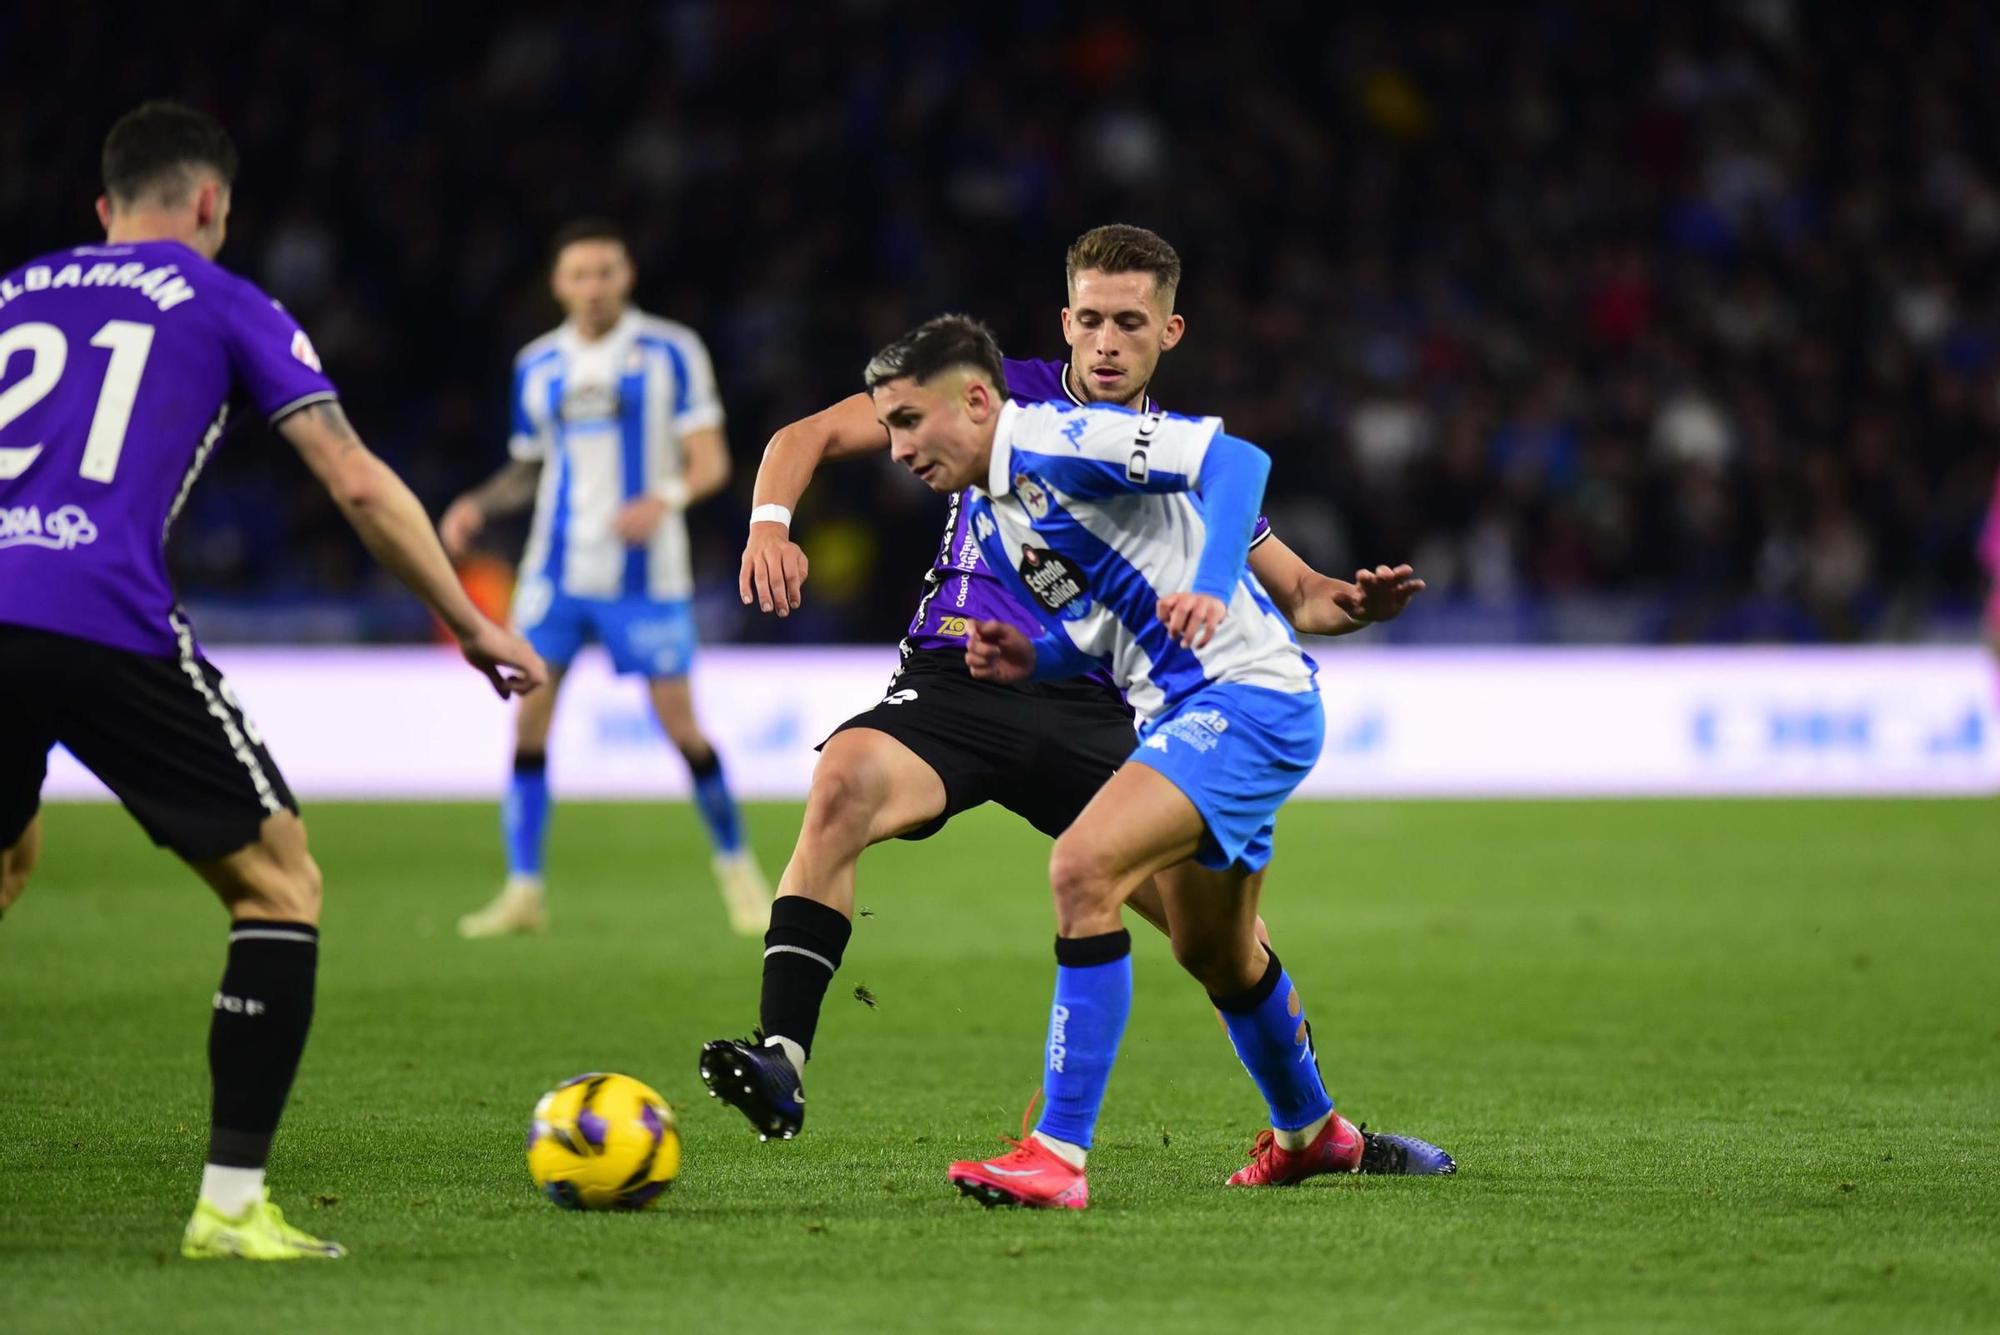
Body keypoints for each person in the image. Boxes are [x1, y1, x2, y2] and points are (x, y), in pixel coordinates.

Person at [699, 225, 1425, 1146]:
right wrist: (769, 524)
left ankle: (1315, 1127)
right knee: (842, 781)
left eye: (1130, 322)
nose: (1106, 342)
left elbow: (1304, 593)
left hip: (1100, 703)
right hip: (963, 675)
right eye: (1091, 320)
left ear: (1170, 332)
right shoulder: (989, 403)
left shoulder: (1172, 457)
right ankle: (782, 1055)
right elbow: (808, 433)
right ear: (1065, 322)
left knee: (1220, 943)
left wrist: (1354, 602)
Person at [0, 101, 547, 1258]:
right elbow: (352, 479)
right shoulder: (223, 300)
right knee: (277, 883)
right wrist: (464, 618)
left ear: (103, 208)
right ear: (209, 202)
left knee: (8, 864)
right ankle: (230, 1208)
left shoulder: (14, 292)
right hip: (95, 612)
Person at [857, 314, 1450, 1208]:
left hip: (1247, 697)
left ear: (977, 400)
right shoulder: (994, 516)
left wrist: (1211, 583)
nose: (897, 448)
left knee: (1082, 865)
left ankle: (1057, 1154)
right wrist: (1033, 659)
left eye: (908, 420)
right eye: (888, 426)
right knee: (1219, 951)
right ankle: (1315, 1134)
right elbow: (1098, 628)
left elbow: (1237, 461)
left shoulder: (1061, 438)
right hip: (1181, 712)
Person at [440, 221, 769, 938]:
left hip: (646, 577)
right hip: (556, 571)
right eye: (580, 274)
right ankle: (523, 890)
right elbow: (531, 465)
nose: (594, 286)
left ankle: (740, 873)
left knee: (682, 727)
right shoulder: (538, 364)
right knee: (529, 719)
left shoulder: (672, 352)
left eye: (606, 271)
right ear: (558, 285)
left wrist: (664, 498)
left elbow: (711, 462)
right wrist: (477, 504)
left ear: (628, 276)